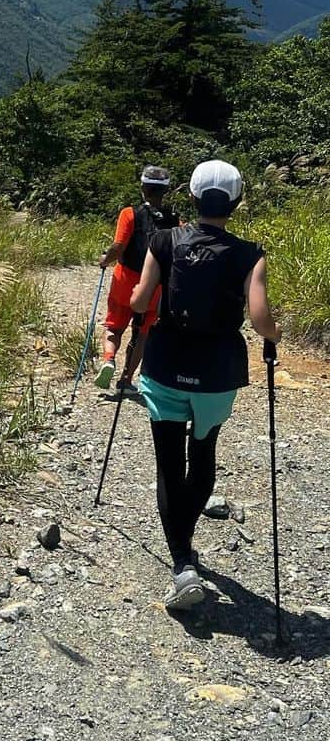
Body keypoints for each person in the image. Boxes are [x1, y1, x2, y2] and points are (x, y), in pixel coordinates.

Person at [131, 160, 281, 611]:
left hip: (165, 363)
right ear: (235, 204)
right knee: (204, 452)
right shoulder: (250, 254)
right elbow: (259, 319)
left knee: (167, 464)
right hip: (217, 371)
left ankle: (182, 561)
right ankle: (186, 544)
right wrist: (274, 337)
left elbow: (140, 300)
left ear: (192, 199)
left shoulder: (164, 240)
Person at [93, 166, 179, 390]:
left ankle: (109, 359)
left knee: (114, 326)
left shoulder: (130, 213)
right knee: (142, 334)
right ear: (165, 191)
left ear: (143, 188)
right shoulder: (175, 221)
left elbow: (118, 247)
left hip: (126, 281)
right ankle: (126, 379)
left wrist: (105, 260)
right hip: (155, 287)